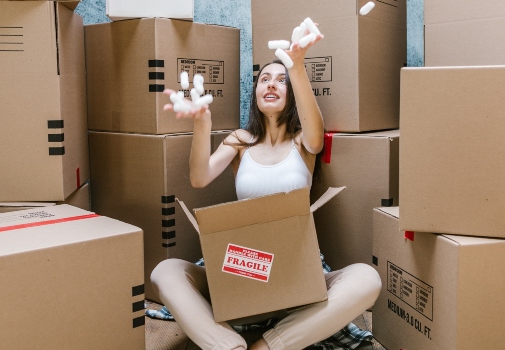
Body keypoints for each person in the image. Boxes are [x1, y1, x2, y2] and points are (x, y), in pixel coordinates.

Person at [151, 31, 381, 350]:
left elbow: (317, 137)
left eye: (280, 80)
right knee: (166, 271)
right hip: (243, 267)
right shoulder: (240, 140)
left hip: (296, 270)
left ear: (292, 92)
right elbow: (199, 178)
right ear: (255, 92)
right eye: (264, 79)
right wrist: (202, 124)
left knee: (367, 279)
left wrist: (297, 66)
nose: (270, 84)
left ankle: (269, 345)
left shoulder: (303, 142)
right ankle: (225, 344)